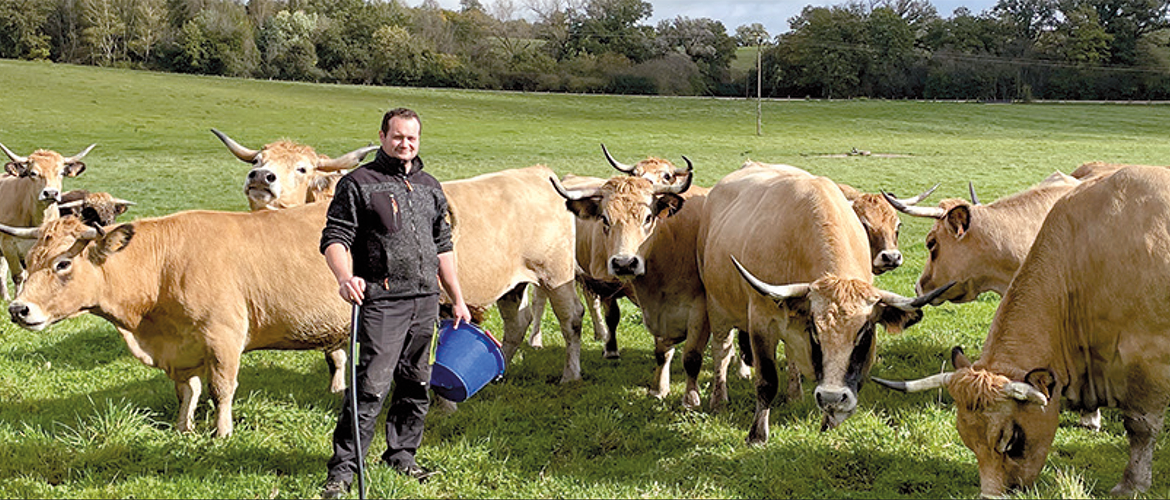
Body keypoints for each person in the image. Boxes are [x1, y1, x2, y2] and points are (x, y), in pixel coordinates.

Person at [319, 107, 472, 499]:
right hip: (382, 301)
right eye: (398, 137)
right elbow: (335, 236)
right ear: (383, 137)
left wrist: (456, 297)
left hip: (425, 301)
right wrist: (344, 276)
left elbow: (443, 247)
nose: (405, 144)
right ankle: (344, 469)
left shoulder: (429, 186)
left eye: (412, 138)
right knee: (370, 386)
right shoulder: (358, 184)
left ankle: (402, 455)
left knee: (415, 383)